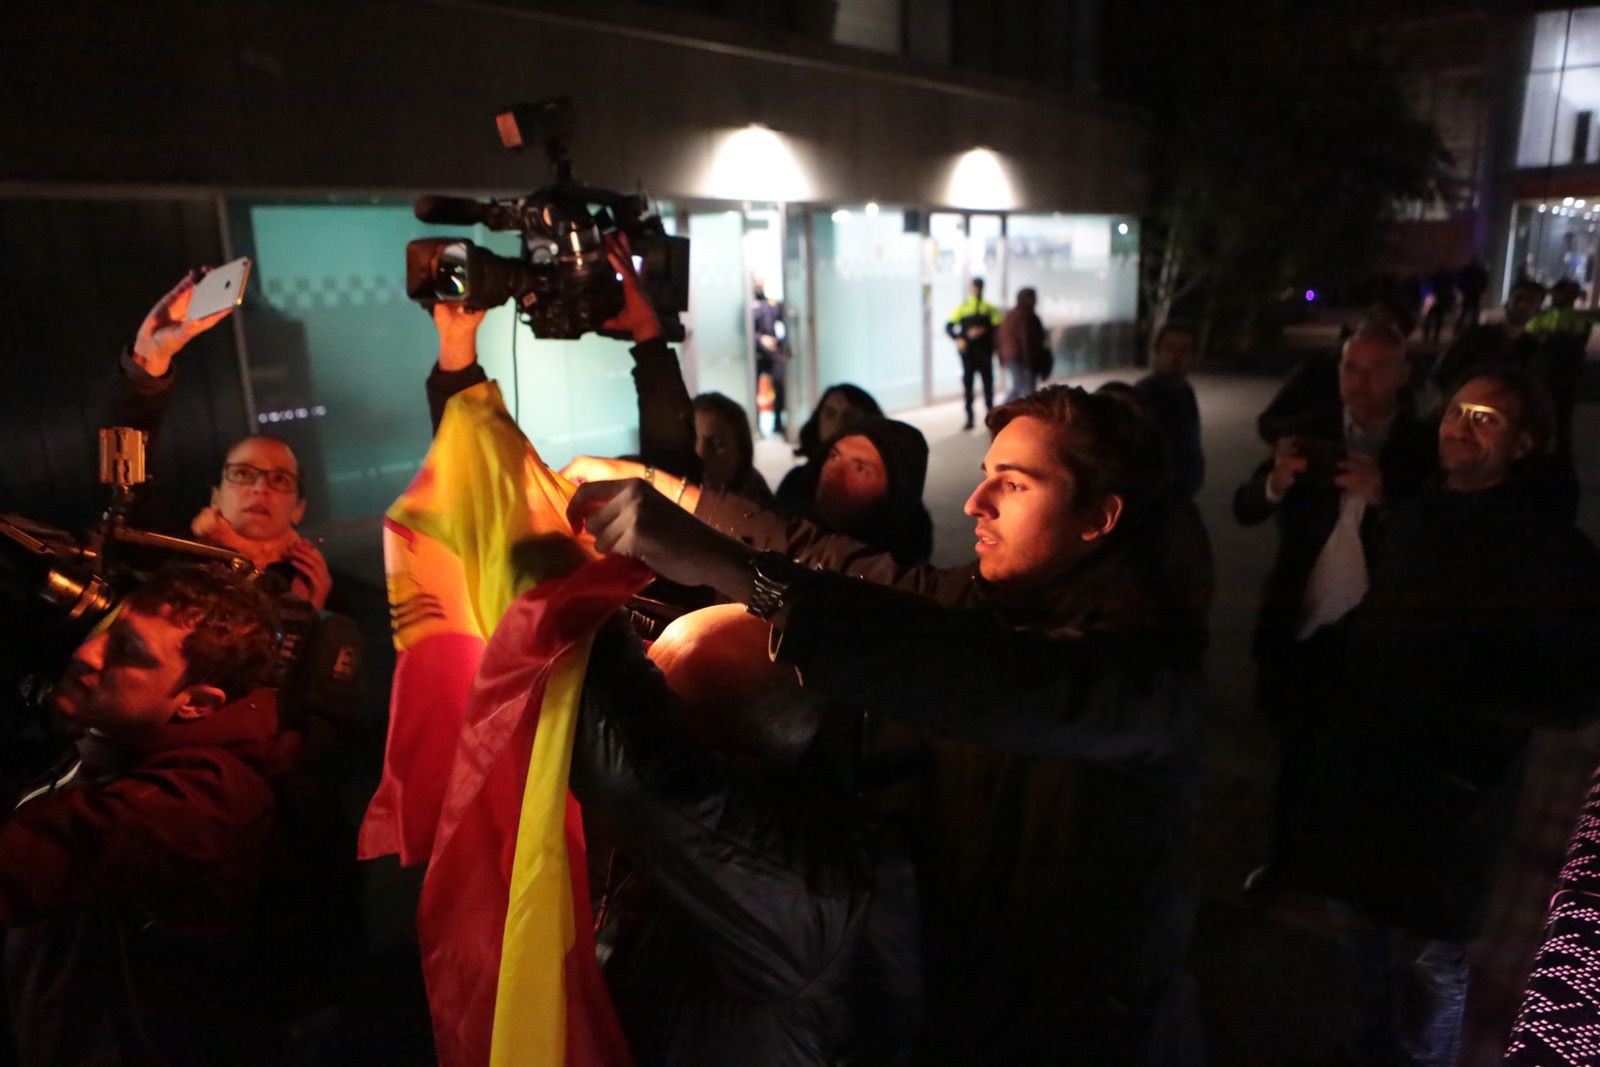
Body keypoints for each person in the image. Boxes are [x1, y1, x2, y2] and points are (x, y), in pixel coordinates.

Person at [563, 375, 1212, 1064]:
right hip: (967, 1004)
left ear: (1098, 516)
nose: (975, 501)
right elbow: (841, 562)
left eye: (1014, 484)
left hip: (1088, 1038)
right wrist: (664, 489)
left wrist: (730, 569)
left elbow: (977, 673)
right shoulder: (994, 597)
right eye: (986, 473)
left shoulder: (1145, 677)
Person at [1286, 369, 1600, 1064]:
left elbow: (1580, 687)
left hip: (1452, 793)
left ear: (1525, 444)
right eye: (1457, 411)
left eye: (1487, 418)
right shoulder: (1421, 513)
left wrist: (1469, 710)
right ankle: (1369, 1047)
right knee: (1360, 928)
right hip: (1366, 771)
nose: (1462, 425)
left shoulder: (1547, 550)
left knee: (1429, 953)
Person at [571, 605, 920, 1066]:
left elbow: (643, 777)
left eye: (665, 710)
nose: (653, 714)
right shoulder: (743, 850)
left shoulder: (810, 899)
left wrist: (572, 600)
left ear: (734, 751)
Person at [3, 564, 288, 1066]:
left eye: (129, 653)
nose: (89, 654)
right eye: (107, 629)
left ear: (197, 703)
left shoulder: (196, 803)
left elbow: (21, 864)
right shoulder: (119, 735)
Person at [1234, 324, 1437, 892]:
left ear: (1403, 374)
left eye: (1377, 368)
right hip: (1303, 625)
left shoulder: (1424, 448)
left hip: (1380, 634)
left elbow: (1443, 541)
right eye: (1351, 367)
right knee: (1295, 759)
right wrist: (1274, 482)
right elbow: (1244, 508)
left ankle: (1355, 872)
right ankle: (1286, 866)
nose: (1360, 382)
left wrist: (1386, 498)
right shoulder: (1310, 434)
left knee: (1369, 761)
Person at [108, 273, 333, 610]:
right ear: (215, 495)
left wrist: (311, 621)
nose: (261, 489)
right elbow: (123, 467)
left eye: (280, 479)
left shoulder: (316, 591)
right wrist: (149, 357)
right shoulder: (165, 562)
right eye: (242, 474)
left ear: (299, 509)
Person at [774, 383, 882, 516]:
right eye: (830, 414)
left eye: (850, 415)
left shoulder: (882, 486)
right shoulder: (795, 483)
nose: (838, 423)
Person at [1431, 277, 1546, 402]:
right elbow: (1445, 369)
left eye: (1530, 301)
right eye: (1519, 298)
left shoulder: (1533, 349)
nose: (1522, 305)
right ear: (1508, 302)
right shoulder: (1476, 336)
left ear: (1537, 310)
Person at [1134, 322, 1205, 500]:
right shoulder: (1143, 394)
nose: (1176, 356)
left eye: (1184, 349)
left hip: (1182, 494)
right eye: (1170, 347)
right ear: (1157, 352)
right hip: (1156, 499)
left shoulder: (1185, 391)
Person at [1525, 277, 1592, 460]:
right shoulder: (1547, 317)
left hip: (1558, 373)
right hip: (1553, 372)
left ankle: (1552, 451)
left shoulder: (1575, 319)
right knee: (1554, 415)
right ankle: (1553, 451)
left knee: (1557, 415)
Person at [691, 392, 773, 504]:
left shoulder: (757, 507)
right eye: (693, 439)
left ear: (741, 452)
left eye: (718, 444)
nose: (701, 453)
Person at [945, 277, 1003, 430]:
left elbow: (998, 327)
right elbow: (949, 326)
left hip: (985, 352)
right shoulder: (963, 308)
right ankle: (969, 418)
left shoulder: (989, 308)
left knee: (988, 385)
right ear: (971, 288)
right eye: (975, 287)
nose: (977, 290)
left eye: (979, 287)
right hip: (968, 354)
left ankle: (991, 417)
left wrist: (984, 331)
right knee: (968, 386)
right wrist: (958, 339)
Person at [752, 277, 788, 436]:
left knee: (779, 385)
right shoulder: (748, 305)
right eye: (756, 281)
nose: (759, 284)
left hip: (773, 354)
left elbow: (784, 323)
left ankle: (778, 424)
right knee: (753, 388)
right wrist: (760, 340)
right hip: (755, 354)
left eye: (761, 281)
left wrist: (779, 343)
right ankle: (756, 425)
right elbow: (743, 334)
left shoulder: (772, 305)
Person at [997, 286, 1046, 402]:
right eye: (1034, 298)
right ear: (1028, 299)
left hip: (1012, 357)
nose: (1036, 300)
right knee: (1026, 390)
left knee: (1019, 386)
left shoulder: (1011, 314)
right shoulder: (1026, 316)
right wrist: (1029, 364)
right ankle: (1003, 412)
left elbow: (999, 338)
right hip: (1021, 358)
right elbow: (1027, 340)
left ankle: (1001, 412)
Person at [1422, 265, 1457, 345]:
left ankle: (1428, 336)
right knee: (1437, 319)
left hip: (1436, 300)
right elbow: (1449, 291)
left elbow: (1426, 286)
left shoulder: (1433, 279)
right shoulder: (1445, 281)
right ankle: (1434, 337)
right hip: (1439, 300)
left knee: (1431, 319)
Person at [1456, 257, 1490, 335]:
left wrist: (1462, 290)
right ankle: (1473, 331)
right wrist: (1483, 291)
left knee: (1464, 312)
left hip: (1468, 294)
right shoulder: (1480, 272)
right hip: (1475, 294)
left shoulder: (1467, 271)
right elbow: (1484, 283)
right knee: (1474, 313)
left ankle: (1458, 330)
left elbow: (1461, 281)